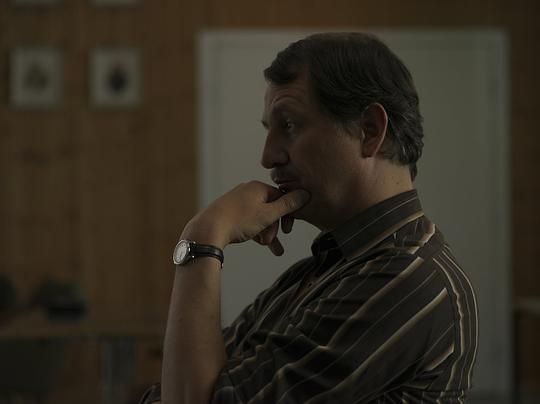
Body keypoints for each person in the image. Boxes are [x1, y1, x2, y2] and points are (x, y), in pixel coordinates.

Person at [141, 32, 478, 404]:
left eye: (289, 125)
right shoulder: (315, 275)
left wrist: (203, 236)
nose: (268, 157)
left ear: (369, 130)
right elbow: (184, 387)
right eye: (269, 130)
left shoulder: (407, 281)